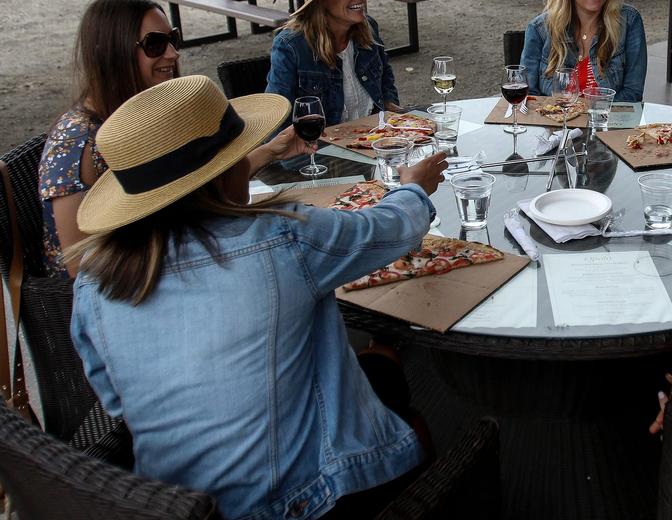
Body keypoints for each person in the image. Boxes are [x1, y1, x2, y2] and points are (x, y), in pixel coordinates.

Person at [69, 75, 449, 520]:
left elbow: (117, 403)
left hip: (170, 504)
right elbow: (390, 230)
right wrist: (414, 187)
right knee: (381, 370)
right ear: (225, 170)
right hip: (306, 499)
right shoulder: (282, 236)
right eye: (238, 156)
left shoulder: (93, 282)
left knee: (371, 361)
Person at [38, 0, 308, 278]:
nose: (173, 54)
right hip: (129, 291)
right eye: (155, 44)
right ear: (112, 52)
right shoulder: (75, 140)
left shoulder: (148, 115)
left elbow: (198, 186)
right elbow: (79, 268)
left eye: (173, 39)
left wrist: (268, 151)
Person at [267, 0, 403, 125]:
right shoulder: (292, 46)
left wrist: (389, 103)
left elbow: (385, 74)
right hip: (322, 148)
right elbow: (277, 116)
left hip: (374, 138)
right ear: (321, 0)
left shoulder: (368, 27)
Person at [521, 0, 647, 101]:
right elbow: (529, 97)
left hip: (608, 124)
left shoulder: (629, 22)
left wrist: (591, 117)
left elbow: (633, 93)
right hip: (554, 124)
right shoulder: (540, 29)